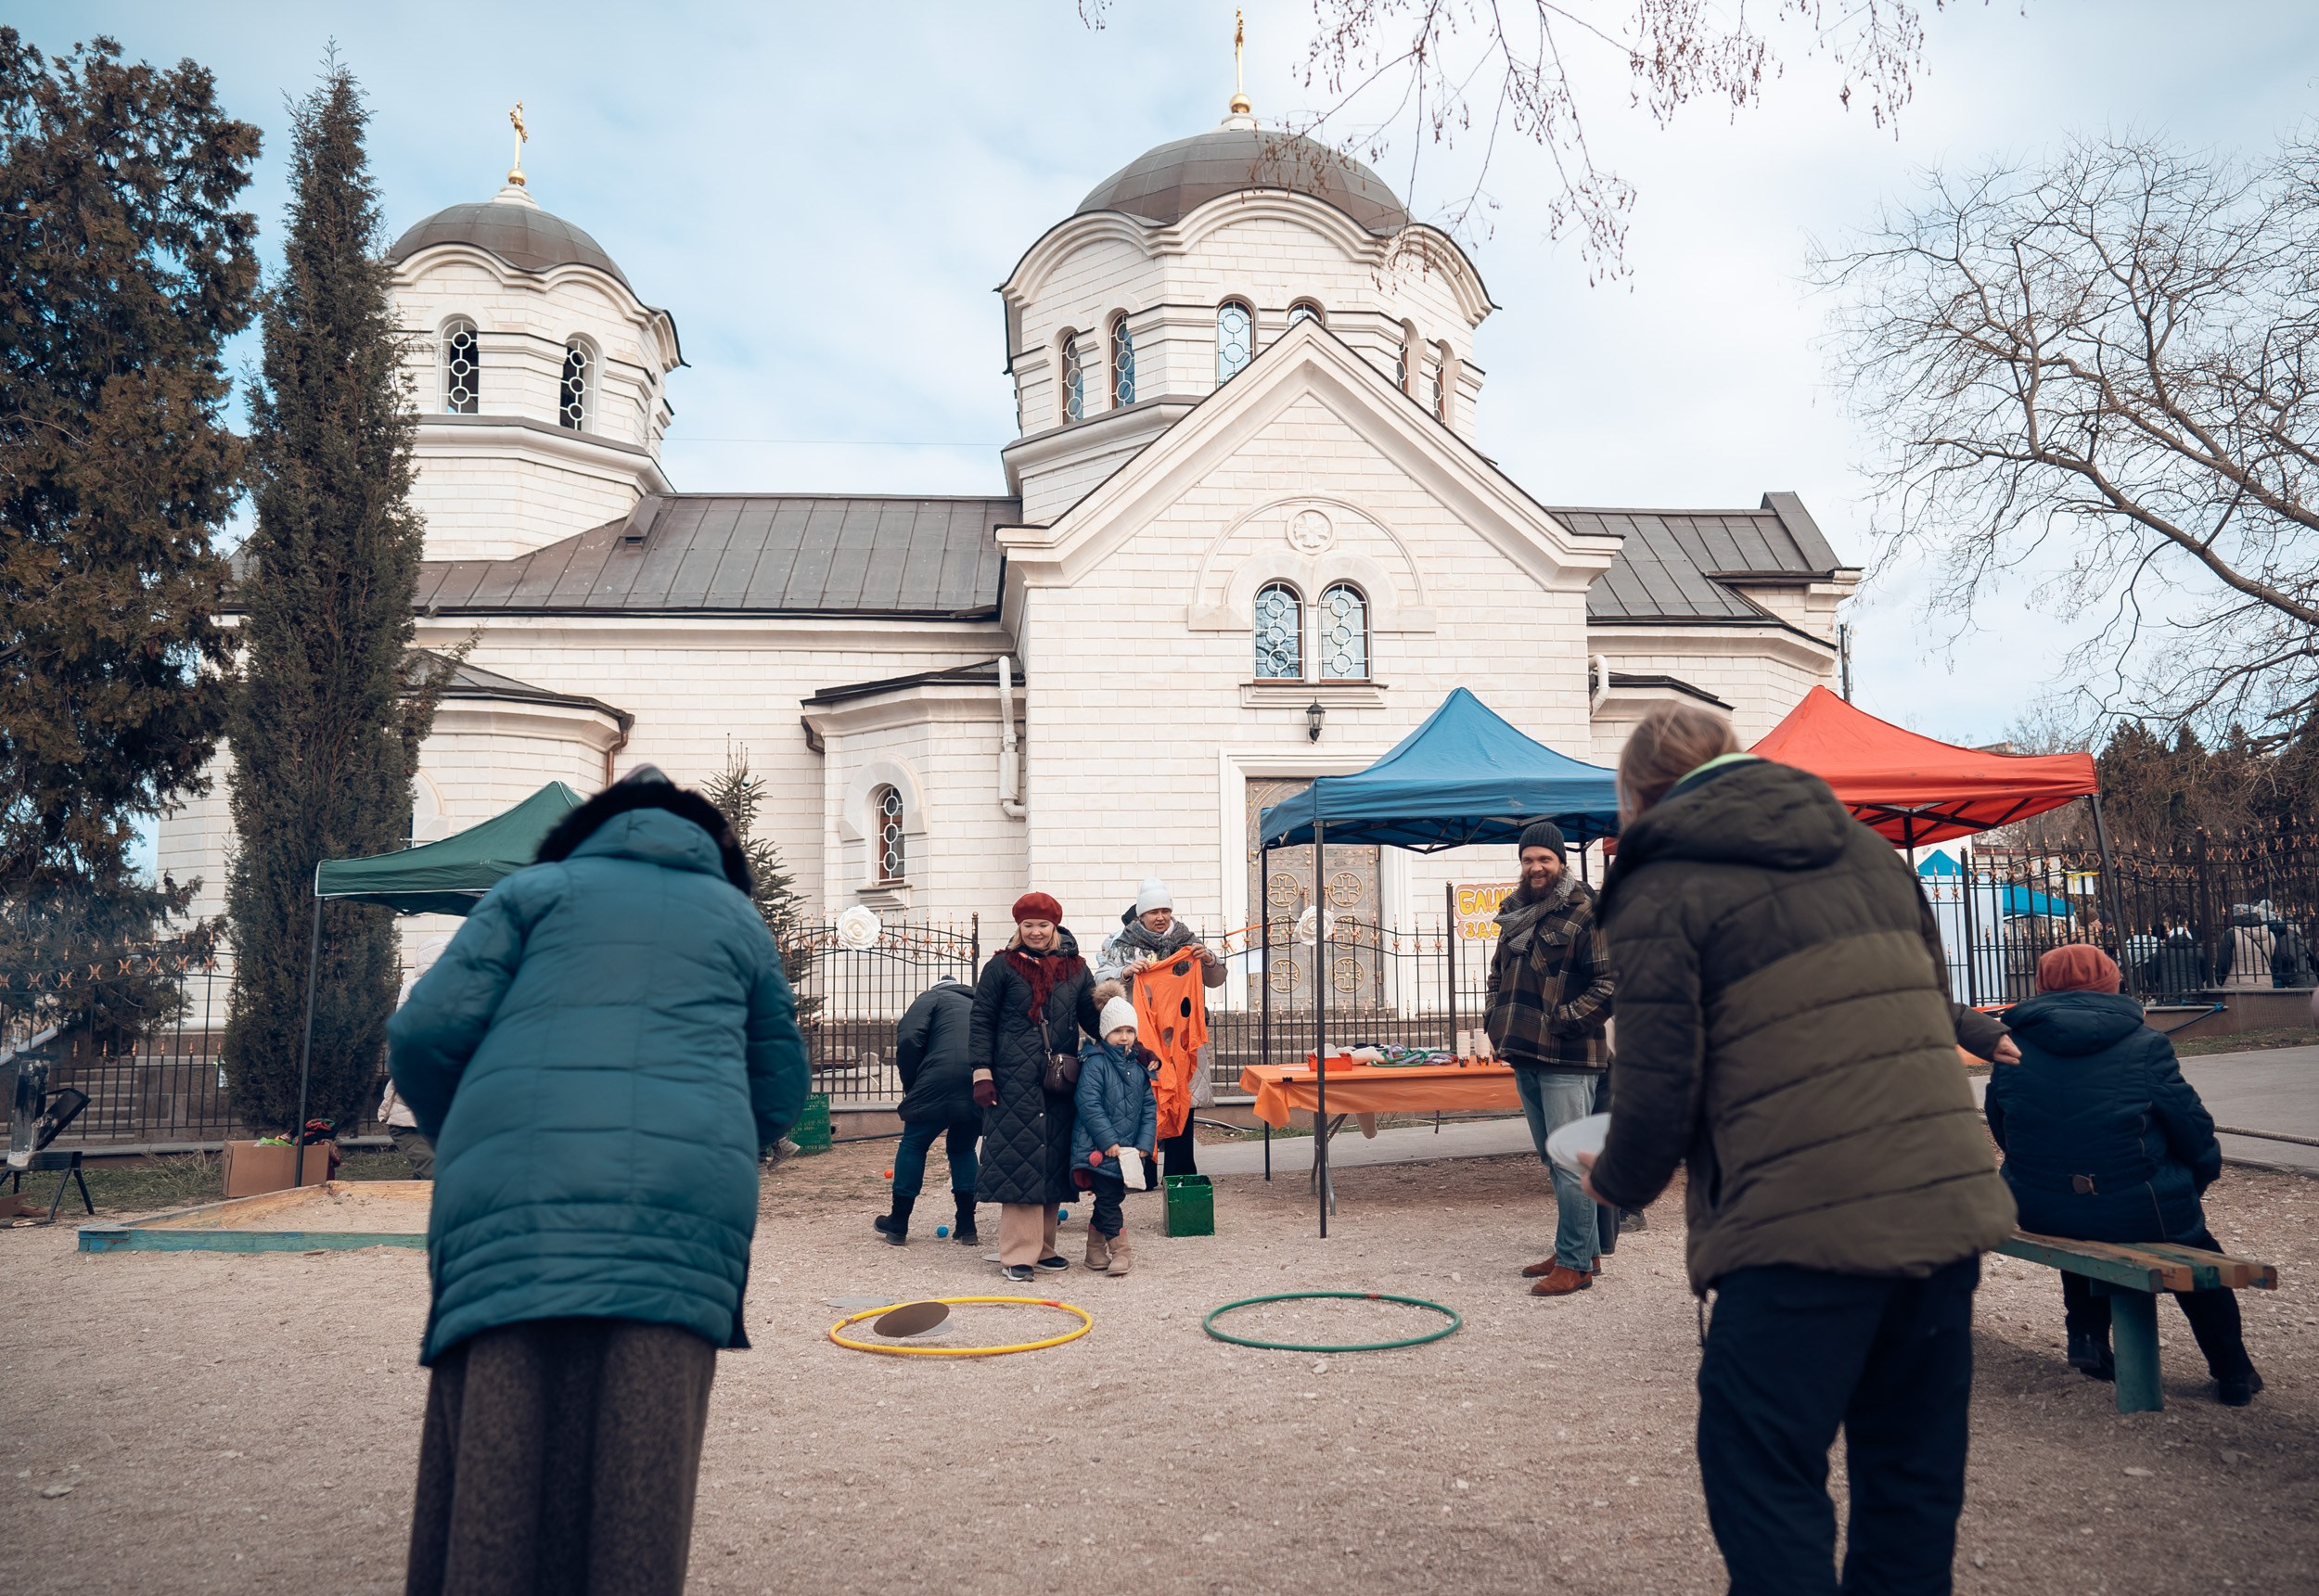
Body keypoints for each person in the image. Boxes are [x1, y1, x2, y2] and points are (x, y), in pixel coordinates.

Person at [1580, 701, 2018, 1596]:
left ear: (1641, 799)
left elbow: (1658, 1079)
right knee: (1911, 1474)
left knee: (1760, 1465)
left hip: (1799, 1226)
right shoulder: (1863, 850)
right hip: (1940, 1207)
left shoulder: (1665, 878)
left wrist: (1616, 1179)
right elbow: (1927, 1004)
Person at [387, 766, 809, 1596]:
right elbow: (779, 1086)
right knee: (639, 1486)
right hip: (679, 1217)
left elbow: (423, 1032)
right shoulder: (736, 918)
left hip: (510, 1212)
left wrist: (476, 1138)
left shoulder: (532, 892)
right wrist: (712, 1150)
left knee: (495, 1461)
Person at [1987, 942, 2262, 1404]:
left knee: (2078, 1215)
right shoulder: (2145, 1044)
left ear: (2041, 985)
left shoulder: (2012, 1047)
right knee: (2191, 1249)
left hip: (2037, 1202)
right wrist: (2199, 1177)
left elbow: (2003, 1124)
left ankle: (2088, 1337)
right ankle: (2233, 1369)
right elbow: (2193, 1129)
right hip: (2137, 1203)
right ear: (2111, 982)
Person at [1482, 819, 1615, 1297]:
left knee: (1569, 1161)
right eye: (1528, 859)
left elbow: (1610, 984)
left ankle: (1576, 1265)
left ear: (1561, 863)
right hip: (1523, 1051)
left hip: (1569, 1058)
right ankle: (1580, 1249)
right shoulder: (1515, 912)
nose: (1536, 867)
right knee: (1551, 1157)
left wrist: (1561, 1021)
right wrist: (1493, 1020)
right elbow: (1497, 975)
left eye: (1545, 859)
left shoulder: (1588, 913)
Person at [972, 891, 1101, 1283]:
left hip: (1057, 1078)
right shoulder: (1000, 967)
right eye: (1028, 925)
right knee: (1021, 1158)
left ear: (1055, 926)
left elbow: (1090, 1017)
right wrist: (981, 1072)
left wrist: (1124, 1041)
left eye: (1043, 925)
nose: (1036, 932)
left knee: (1051, 1159)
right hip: (1012, 1078)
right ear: (1019, 927)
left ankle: (1044, 1249)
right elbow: (980, 1020)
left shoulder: (1076, 968)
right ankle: (1017, 1255)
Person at [1096, 876, 1224, 1181]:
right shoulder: (1122, 945)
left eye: (1165, 910)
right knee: (1142, 1103)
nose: (1160, 917)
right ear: (1141, 915)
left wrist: (1209, 959)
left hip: (1180, 1037)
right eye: (1153, 912)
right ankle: (1143, 1172)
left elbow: (1216, 978)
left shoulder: (1188, 942)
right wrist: (1125, 972)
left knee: (1182, 1100)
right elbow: (1101, 979)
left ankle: (1181, 1172)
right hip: (1142, 1038)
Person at [878, 975, 981, 1248]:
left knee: (914, 1144)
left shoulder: (931, 997)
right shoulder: (980, 1002)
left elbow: (910, 1037)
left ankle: (899, 1222)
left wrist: (913, 1084)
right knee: (963, 1149)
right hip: (976, 1080)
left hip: (937, 1079)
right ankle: (967, 1225)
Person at [1072, 994, 1159, 1276]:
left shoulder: (1137, 1068)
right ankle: (1121, 1251)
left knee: (1111, 1197)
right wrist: (1107, 1140)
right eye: (1118, 1031)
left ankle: (1093, 1251)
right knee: (1109, 1199)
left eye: (1129, 1031)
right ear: (1105, 1033)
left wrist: (1145, 1143)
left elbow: (1149, 1107)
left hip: (1128, 1150)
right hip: (1101, 1148)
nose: (1124, 1037)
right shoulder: (1095, 1063)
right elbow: (1089, 1105)